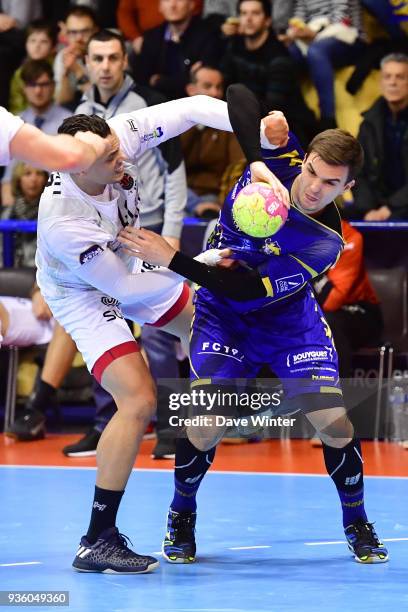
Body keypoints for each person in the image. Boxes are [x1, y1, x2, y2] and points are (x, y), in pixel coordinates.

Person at [118, 84, 389, 566]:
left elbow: (244, 289)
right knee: (203, 423)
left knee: (334, 423)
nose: (312, 187)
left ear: (346, 188)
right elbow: (239, 95)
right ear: (303, 159)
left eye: (330, 183)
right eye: (311, 172)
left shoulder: (326, 242)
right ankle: (182, 515)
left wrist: (173, 259)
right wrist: (260, 152)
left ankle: (357, 523)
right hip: (225, 323)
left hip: (288, 324)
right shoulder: (280, 160)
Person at [29, 99, 288, 573]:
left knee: (207, 327)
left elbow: (195, 109)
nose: (121, 159)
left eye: (116, 148)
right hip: (82, 292)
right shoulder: (65, 221)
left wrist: (258, 143)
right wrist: (195, 264)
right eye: (109, 160)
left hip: (128, 262)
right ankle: (98, 538)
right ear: (75, 166)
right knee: (138, 399)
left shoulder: (114, 137)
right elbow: (124, 290)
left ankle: (193, 464)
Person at [220, 0, 317, 146]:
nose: (248, 19)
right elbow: (223, 85)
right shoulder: (234, 46)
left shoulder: (279, 56)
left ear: (267, 21)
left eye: (255, 13)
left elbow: (273, 107)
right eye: (244, 13)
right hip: (251, 122)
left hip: (289, 131)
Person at [280, 0, 365, 130]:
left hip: (347, 35)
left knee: (316, 51)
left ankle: (328, 120)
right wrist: (295, 31)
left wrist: (313, 33)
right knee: (287, 55)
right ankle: (296, 119)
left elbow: (343, 17)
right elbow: (299, 16)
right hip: (311, 36)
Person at [344, 53, 408, 221]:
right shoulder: (370, 122)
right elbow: (357, 170)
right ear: (381, 82)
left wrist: (391, 207)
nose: (392, 82)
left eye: (400, 77)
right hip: (375, 205)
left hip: (401, 205)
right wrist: (368, 210)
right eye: (387, 77)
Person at [2, 59, 71, 207]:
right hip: (22, 203)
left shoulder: (68, 122)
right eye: (32, 85)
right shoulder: (15, 122)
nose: (38, 91)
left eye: (43, 84)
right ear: (24, 88)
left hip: (61, 200)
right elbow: (8, 175)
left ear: (53, 86)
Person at [182, 64, 243, 218]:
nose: (215, 93)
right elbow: (168, 168)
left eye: (218, 87)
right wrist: (197, 125)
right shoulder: (176, 121)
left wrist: (225, 203)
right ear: (191, 90)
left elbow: (238, 168)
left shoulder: (230, 124)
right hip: (180, 193)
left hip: (213, 196)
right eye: (208, 86)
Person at [134, 0, 223, 100]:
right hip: (156, 105)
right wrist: (185, 79)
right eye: (167, 0)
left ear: (191, 5)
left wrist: (160, 81)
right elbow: (142, 79)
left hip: (194, 103)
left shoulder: (208, 35)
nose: (173, 5)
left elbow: (204, 82)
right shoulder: (152, 37)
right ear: (160, 6)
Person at [1, 162, 48, 267]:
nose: (34, 179)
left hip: (41, 273)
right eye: (27, 174)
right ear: (18, 180)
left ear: (45, 179)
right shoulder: (7, 213)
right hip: (9, 271)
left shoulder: (51, 212)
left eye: (39, 174)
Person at [9, 19, 57, 115]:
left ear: (53, 46)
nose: (37, 46)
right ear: (25, 44)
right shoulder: (19, 73)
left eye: (44, 41)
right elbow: (16, 106)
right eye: (32, 41)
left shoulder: (57, 68)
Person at [53, 4, 99, 107]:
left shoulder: (105, 54)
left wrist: (77, 71)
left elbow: (100, 101)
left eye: (85, 31)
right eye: (73, 32)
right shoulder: (63, 56)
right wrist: (66, 73)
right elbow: (62, 101)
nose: (79, 38)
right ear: (66, 34)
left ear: (95, 30)